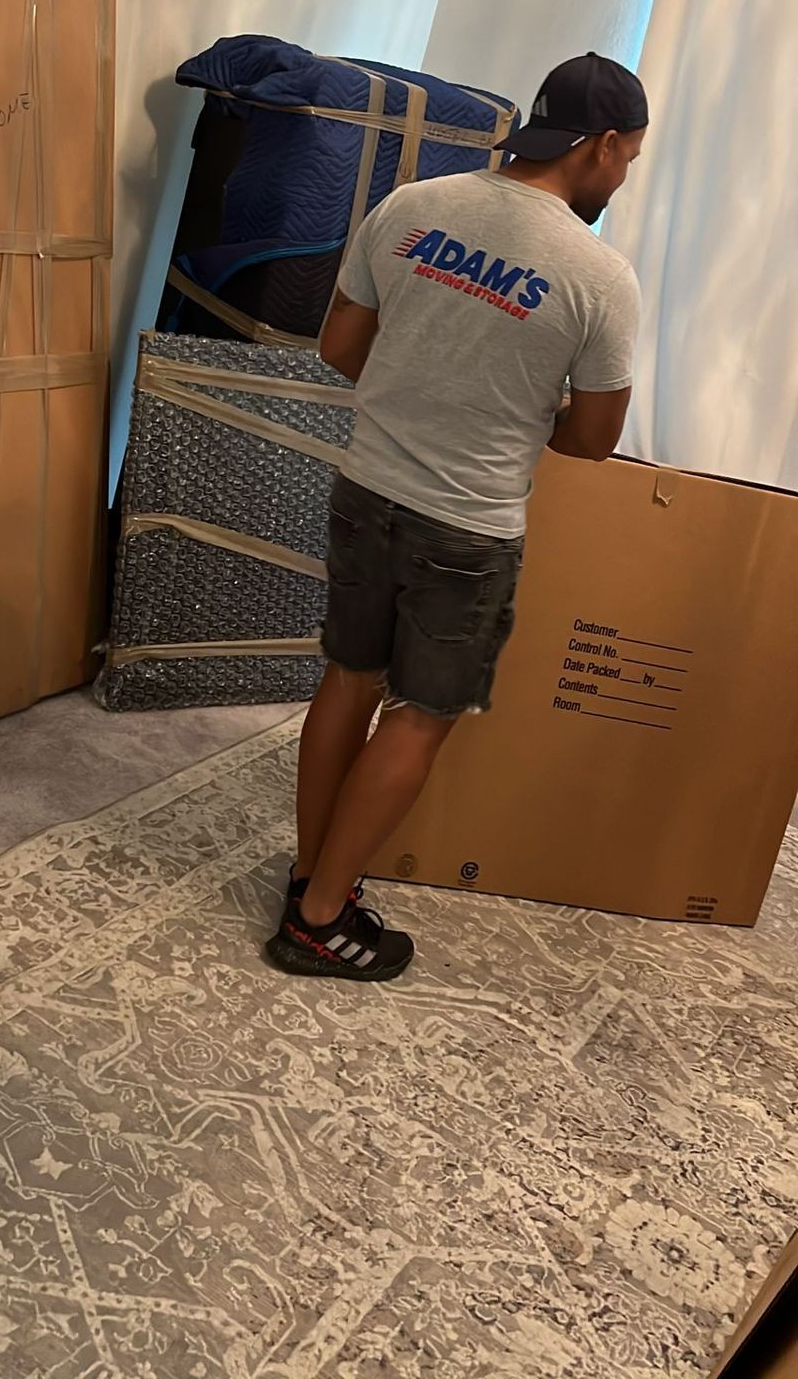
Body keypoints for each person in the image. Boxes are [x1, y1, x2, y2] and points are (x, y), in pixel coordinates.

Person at [266, 51, 648, 982]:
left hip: (366, 490)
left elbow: (341, 346)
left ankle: (315, 877)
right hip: (467, 529)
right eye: (629, 155)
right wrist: (507, 405)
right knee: (420, 714)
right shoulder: (598, 276)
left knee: (347, 681)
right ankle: (319, 921)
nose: (625, 173)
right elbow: (594, 439)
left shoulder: (412, 207)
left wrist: (424, 389)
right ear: (599, 146)